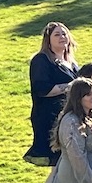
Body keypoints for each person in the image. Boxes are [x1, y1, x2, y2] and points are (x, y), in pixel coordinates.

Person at [27, 21, 80, 169]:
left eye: (64, 34)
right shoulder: (42, 60)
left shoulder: (71, 62)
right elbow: (41, 89)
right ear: (48, 40)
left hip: (71, 116)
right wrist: (70, 87)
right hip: (52, 118)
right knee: (60, 164)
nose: (62, 37)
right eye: (57, 34)